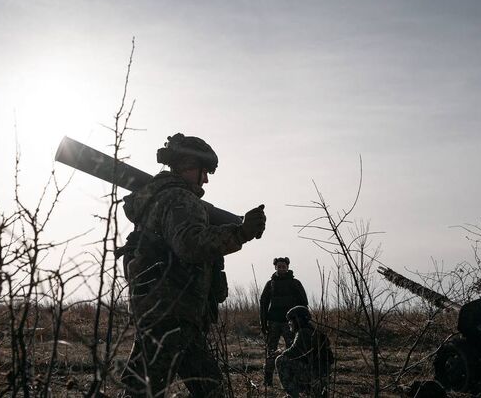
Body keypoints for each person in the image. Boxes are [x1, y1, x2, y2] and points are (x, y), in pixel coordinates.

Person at [118, 133, 266, 398]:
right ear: (188, 166)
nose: (206, 179)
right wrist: (241, 232)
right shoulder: (180, 199)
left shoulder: (156, 198)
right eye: (204, 172)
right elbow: (191, 244)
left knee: (146, 390)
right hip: (173, 314)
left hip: (158, 312)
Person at [259, 256, 308, 386]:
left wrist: (302, 322)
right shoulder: (270, 284)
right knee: (270, 351)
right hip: (273, 322)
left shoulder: (295, 283)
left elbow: (304, 303)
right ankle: (267, 381)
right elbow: (263, 303)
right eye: (279, 266)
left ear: (288, 267)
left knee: (293, 350)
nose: (281, 269)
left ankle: (293, 379)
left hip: (290, 323)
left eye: (284, 266)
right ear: (275, 267)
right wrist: (263, 323)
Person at [276, 306, 334, 398]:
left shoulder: (303, 332)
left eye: (291, 321)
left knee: (281, 360)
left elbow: (293, 352)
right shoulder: (312, 331)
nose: (289, 324)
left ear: (298, 320)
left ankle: (293, 395)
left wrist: (281, 353)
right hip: (323, 374)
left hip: (315, 374)